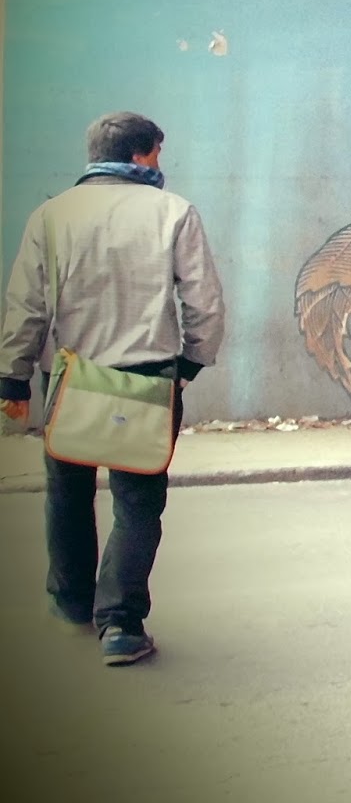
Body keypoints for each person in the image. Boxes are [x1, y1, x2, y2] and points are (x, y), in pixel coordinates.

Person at [0, 112, 226, 666]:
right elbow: (204, 302)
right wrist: (192, 360)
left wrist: (13, 376)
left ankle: (72, 603)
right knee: (138, 502)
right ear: (142, 154)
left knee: (67, 492)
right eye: (158, 153)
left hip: (70, 375)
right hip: (146, 379)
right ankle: (121, 625)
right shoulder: (173, 212)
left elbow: (26, 304)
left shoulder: (51, 215)